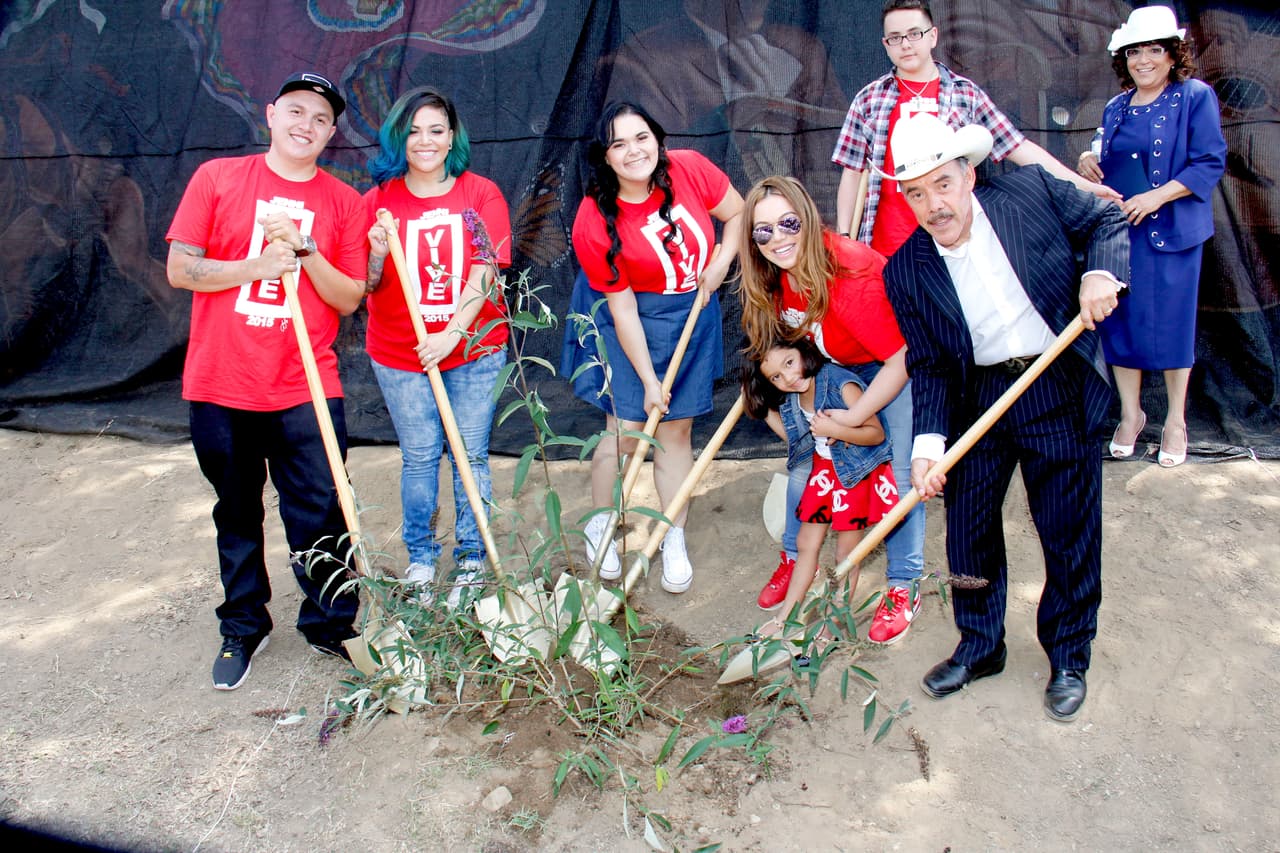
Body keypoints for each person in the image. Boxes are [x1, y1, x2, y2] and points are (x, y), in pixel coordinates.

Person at [881, 112, 1128, 722]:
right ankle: (980, 645)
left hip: (1052, 379)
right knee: (967, 530)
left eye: (943, 184)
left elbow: (1106, 218)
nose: (934, 205)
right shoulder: (905, 270)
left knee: (1067, 529)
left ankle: (1068, 655)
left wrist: (1099, 273)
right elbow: (930, 363)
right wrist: (927, 447)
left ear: (968, 175)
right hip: (978, 397)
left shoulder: (1030, 192)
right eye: (916, 193)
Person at [166, 72, 367, 690]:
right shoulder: (218, 178)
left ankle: (332, 623)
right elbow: (180, 269)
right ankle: (243, 625)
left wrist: (306, 252)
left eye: (321, 119)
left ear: (331, 135)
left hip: (306, 384)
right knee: (236, 509)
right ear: (271, 113)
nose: (307, 125)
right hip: (222, 380)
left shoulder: (344, 202)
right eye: (297, 111)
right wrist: (259, 265)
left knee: (322, 509)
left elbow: (349, 298)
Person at [560, 102, 742, 594]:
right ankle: (602, 522)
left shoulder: (689, 168)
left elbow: (737, 211)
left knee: (676, 432)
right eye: (618, 143)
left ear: (658, 139)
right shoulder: (594, 218)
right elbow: (621, 309)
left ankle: (670, 532)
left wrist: (722, 261)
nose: (633, 151)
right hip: (633, 320)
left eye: (641, 137)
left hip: (693, 313)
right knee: (625, 432)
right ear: (605, 156)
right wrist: (647, 380)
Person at [737, 175, 922, 646]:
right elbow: (786, 337)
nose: (777, 238)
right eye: (763, 231)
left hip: (894, 363)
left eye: (787, 223)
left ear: (807, 217)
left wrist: (854, 419)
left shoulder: (848, 272)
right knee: (807, 462)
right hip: (836, 363)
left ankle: (903, 584)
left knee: (898, 477)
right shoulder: (777, 273)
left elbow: (900, 357)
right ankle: (796, 560)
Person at [364, 87, 511, 608]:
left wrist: (451, 333)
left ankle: (471, 559)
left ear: (452, 138)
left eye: (436, 130)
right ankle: (422, 561)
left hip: (473, 351)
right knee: (421, 456)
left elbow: (487, 269)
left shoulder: (480, 193)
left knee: (471, 455)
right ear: (398, 139)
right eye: (413, 131)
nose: (424, 141)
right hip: (400, 354)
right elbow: (366, 284)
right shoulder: (377, 202)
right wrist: (376, 254)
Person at [832, 0, 1119, 256]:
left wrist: (1085, 186)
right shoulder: (869, 98)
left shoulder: (965, 93)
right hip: (886, 248)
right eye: (895, 38)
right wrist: (846, 238)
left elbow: (1018, 148)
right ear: (885, 45)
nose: (905, 44)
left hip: (954, 244)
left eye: (914, 33)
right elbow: (852, 171)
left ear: (933, 36)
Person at [1076, 6, 1226, 468]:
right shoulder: (1116, 106)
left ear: (1173, 54)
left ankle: (1176, 422)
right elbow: (1109, 154)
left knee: (1174, 327)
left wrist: (1157, 197)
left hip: (1173, 233)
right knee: (1120, 325)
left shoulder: (1194, 96)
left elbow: (1209, 161)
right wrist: (1089, 160)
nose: (1143, 60)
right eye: (1134, 51)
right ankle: (1131, 414)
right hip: (1123, 233)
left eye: (1154, 50)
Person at [741, 335, 898, 642]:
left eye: (789, 363)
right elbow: (796, 439)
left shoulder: (839, 383)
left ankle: (832, 626)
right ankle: (785, 618)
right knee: (805, 543)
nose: (788, 377)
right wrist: (761, 407)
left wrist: (837, 429)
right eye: (776, 377)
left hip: (853, 474)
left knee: (846, 554)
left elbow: (876, 434)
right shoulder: (794, 396)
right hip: (824, 471)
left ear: (803, 350)